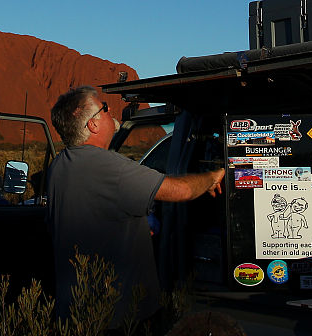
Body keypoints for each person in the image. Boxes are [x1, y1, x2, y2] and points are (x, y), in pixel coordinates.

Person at [46, 86, 225, 332]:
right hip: (119, 316)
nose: (111, 112)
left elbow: (100, 210)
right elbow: (179, 190)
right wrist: (211, 178)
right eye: (104, 108)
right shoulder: (109, 166)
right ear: (93, 125)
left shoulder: (59, 166)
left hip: (75, 311)